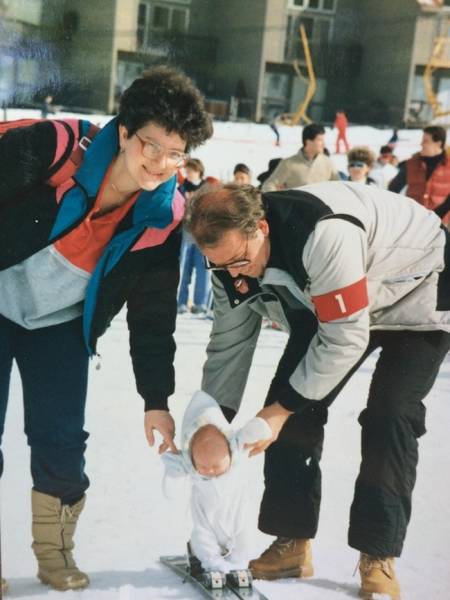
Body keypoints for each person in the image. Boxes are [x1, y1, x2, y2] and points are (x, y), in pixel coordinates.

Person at [0, 66, 212, 592]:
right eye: (151, 146)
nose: (162, 164)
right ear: (124, 131)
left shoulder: (162, 215)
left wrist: (156, 398)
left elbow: (155, 315)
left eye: (175, 153)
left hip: (58, 325)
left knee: (63, 441)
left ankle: (56, 552)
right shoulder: (55, 148)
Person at [183, 181, 450, 600]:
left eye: (239, 261)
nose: (233, 274)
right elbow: (230, 341)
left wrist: (279, 411)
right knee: (289, 408)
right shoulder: (227, 257)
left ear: (261, 228)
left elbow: (345, 338)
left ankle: (377, 554)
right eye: (219, 266)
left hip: (416, 298)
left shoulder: (323, 234)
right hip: (336, 302)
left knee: (390, 415)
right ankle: (291, 542)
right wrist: (213, 420)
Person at [162, 390, 272, 574]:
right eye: (203, 467)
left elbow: (256, 430)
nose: (210, 471)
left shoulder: (236, 450)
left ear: (229, 453)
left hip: (237, 517)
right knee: (202, 537)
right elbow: (171, 490)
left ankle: (238, 563)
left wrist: (259, 429)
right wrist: (174, 470)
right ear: (192, 460)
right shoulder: (190, 466)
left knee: (245, 536)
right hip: (206, 521)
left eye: (216, 465)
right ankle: (212, 562)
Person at [389, 125, 450, 225]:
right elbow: (392, 190)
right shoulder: (411, 164)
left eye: (425, 141)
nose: (421, 144)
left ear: (438, 143)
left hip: (442, 225)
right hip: (415, 224)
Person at [261, 123, 339, 192]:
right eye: (320, 140)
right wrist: (279, 204)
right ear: (308, 142)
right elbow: (268, 186)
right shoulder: (289, 164)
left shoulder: (328, 162)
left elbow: (339, 187)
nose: (323, 144)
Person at [177, 158, 211, 315]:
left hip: (203, 235)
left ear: (199, 171)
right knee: (183, 267)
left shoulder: (208, 189)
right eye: (187, 170)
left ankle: (201, 303)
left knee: (203, 268)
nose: (188, 173)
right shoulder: (181, 188)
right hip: (186, 232)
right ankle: (180, 301)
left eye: (191, 170)